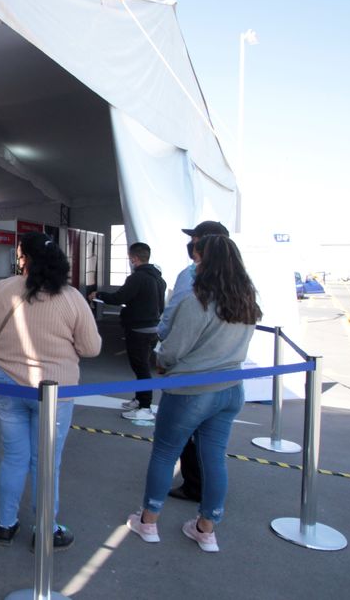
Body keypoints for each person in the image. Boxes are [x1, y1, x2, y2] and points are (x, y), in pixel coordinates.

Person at [125, 235, 260, 553]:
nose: (193, 265)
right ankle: (206, 529)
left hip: (191, 391)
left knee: (164, 453)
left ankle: (148, 522)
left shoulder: (197, 300)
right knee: (214, 458)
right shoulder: (246, 299)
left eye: (197, 258)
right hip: (231, 389)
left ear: (206, 262)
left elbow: (173, 349)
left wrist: (161, 361)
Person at [0, 232, 101, 551]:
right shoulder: (71, 297)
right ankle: (45, 529)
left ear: (23, 258)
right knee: (46, 462)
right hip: (54, 391)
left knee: (14, 456)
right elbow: (91, 348)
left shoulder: (2, 288)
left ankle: (5, 524)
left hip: (7, 383)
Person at [160, 220, 230, 503]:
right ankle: (209, 514)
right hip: (228, 380)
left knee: (167, 448)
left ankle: (150, 516)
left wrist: (163, 355)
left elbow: (172, 322)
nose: (191, 245)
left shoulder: (191, 277)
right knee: (213, 451)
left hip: (192, 377)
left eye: (196, 239)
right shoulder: (240, 283)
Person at [89, 243, 166, 421]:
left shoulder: (137, 278)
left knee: (141, 368)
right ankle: (139, 399)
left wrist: (98, 295)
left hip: (138, 329)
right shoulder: (159, 279)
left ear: (134, 258)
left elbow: (119, 298)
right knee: (141, 366)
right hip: (153, 328)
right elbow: (161, 305)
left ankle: (145, 406)